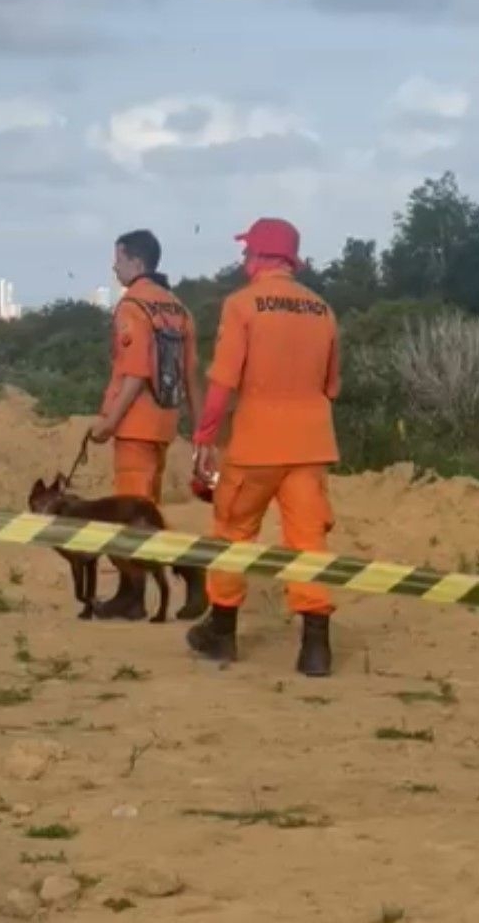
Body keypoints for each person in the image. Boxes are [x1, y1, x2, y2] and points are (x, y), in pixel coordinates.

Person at [188, 217, 341, 677]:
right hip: (311, 444)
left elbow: (221, 383)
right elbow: (331, 387)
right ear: (290, 259)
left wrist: (205, 437)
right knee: (308, 542)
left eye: (246, 252)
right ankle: (315, 648)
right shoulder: (323, 309)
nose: (243, 260)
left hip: (255, 444)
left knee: (233, 536)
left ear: (258, 257)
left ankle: (221, 631)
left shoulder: (242, 305)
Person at [89, 229, 203, 620]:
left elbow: (135, 372)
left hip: (135, 425)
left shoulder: (132, 307)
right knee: (146, 512)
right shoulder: (177, 308)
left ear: (136, 262)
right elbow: (191, 376)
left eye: (118, 258)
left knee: (131, 518)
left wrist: (108, 423)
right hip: (164, 422)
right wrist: (201, 431)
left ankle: (149, 589)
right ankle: (138, 592)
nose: (114, 266)